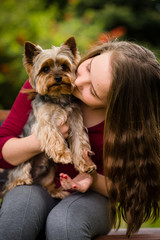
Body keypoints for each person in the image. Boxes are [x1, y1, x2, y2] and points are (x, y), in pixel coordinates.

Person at [0, 40, 160, 240]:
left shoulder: (130, 125)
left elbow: (130, 189)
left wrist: (91, 179)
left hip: (92, 199)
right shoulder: (43, 82)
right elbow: (3, 152)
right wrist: (42, 139)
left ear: (116, 103)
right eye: (88, 68)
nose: (78, 81)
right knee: (18, 213)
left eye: (92, 90)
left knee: (65, 223)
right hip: (37, 182)